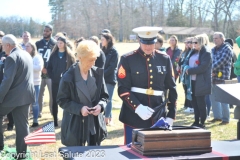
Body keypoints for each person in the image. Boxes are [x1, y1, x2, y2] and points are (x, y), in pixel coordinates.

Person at [117, 26, 177, 144]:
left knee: (156, 152)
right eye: (145, 43)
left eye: (151, 43)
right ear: (139, 40)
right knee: (132, 152)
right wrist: (137, 107)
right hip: (133, 115)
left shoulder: (164, 59)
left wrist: (171, 115)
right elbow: (123, 88)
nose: (148, 47)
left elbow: (171, 88)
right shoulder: (127, 59)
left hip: (158, 115)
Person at [57, 40, 109, 146]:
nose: (93, 63)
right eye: (90, 60)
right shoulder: (68, 77)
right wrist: (79, 109)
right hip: (75, 125)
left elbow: (105, 96)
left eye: (94, 59)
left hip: (94, 125)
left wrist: (100, 106)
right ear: (80, 58)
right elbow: (62, 100)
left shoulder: (98, 74)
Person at [0, 34, 35, 159]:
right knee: (22, 125)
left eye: (3, 46)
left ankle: (0, 147)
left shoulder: (12, 58)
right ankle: (22, 154)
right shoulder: (26, 54)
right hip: (26, 95)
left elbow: (7, 81)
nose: (3, 48)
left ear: (8, 45)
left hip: (13, 97)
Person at [183, 35, 212, 128]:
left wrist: (189, 71)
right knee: (194, 103)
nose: (193, 44)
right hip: (191, 81)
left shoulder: (206, 53)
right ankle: (196, 121)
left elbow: (203, 68)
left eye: (195, 42)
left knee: (201, 103)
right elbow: (185, 62)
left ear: (201, 42)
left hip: (201, 81)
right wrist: (185, 68)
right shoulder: (192, 52)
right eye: (192, 42)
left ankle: (202, 122)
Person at [47, 36, 76, 127]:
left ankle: (66, 119)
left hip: (66, 82)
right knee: (55, 101)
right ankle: (55, 120)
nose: (59, 44)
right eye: (58, 43)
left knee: (67, 100)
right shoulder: (53, 55)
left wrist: (68, 78)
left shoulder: (69, 55)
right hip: (55, 82)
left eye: (61, 43)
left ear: (65, 44)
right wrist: (53, 77)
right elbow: (49, 67)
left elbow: (73, 68)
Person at [210, 32, 233, 125]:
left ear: (222, 39)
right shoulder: (213, 49)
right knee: (214, 98)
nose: (215, 40)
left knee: (224, 100)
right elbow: (211, 60)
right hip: (213, 77)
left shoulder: (227, 49)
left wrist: (210, 69)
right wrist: (211, 71)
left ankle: (226, 119)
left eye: (216, 38)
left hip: (222, 77)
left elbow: (222, 61)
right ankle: (217, 117)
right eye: (214, 38)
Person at [36, 24, 56, 118]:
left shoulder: (55, 43)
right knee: (39, 94)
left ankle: (53, 112)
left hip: (51, 73)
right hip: (39, 73)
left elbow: (56, 58)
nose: (45, 32)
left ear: (51, 32)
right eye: (44, 31)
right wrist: (41, 67)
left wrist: (48, 68)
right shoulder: (38, 43)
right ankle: (38, 111)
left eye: (47, 31)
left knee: (52, 94)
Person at [100, 33, 119, 126]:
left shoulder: (114, 51)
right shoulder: (102, 50)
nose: (101, 41)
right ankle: (107, 117)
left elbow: (112, 67)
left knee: (108, 99)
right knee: (102, 98)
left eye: (102, 39)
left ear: (108, 40)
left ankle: (106, 119)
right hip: (101, 78)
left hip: (110, 78)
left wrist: (102, 74)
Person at [25, 41, 44, 127]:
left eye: (28, 46)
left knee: (35, 102)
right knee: (26, 102)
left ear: (32, 48)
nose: (26, 48)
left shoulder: (37, 57)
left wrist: (29, 65)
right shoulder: (24, 57)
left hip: (35, 83)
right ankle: (26, 120)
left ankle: (35, 121)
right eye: (25, 46)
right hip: (26, 83)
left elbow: (39, 68)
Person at [179, 37, 194, 113]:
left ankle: (191, 106)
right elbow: (181, 61)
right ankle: (187, 105)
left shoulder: (193, 51)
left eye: (189, 42)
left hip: (189, 73)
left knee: (189, 90)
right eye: (186, 42)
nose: (187, 44)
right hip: (184, 73)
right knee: (185, 89)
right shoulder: (185, 51)